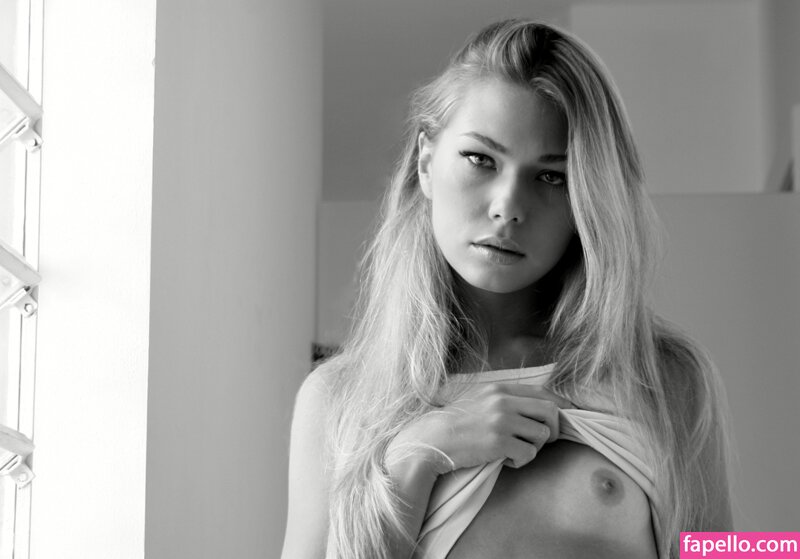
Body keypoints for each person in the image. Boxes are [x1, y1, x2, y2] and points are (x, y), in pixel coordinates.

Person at [281, 19, 732, 559]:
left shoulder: (667, 377)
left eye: (552, 177)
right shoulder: (338, 399)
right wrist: (418, 455)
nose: (508, 207)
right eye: (481, 159)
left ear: (588, 201)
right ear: (426, 161)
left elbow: (729, 550)